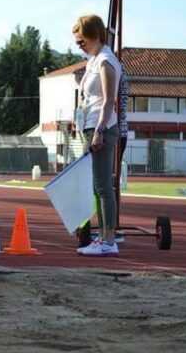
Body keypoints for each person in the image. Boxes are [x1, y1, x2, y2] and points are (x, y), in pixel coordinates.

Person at [73, 15, 123, 257]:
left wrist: (100, 131)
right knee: (95, 186)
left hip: (101, 128)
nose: (79, 46)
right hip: (90, 125)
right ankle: (102, 237)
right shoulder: (93, 60)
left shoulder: (105, 61)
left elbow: (108, 100)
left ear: (94, 36)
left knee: (103, 186)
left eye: (81, 41)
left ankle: (109, 239)